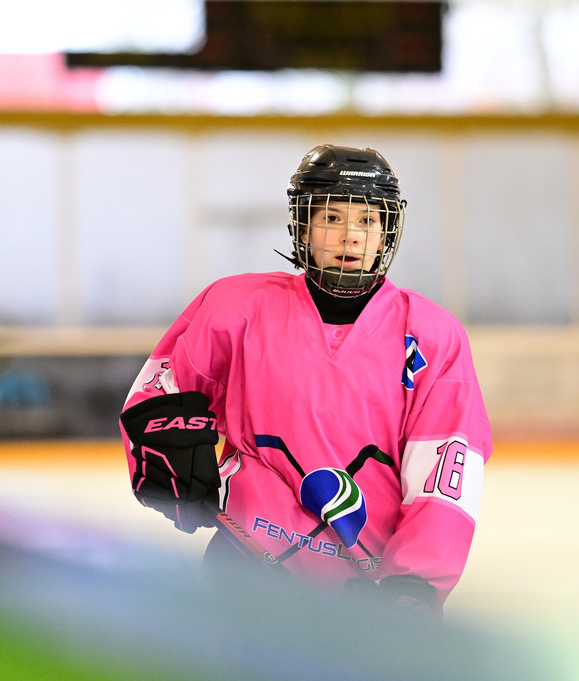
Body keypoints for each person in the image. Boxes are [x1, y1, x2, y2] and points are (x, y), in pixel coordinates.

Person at [119, 144, 492, 616]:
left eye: (368, 220)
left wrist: (412, 586)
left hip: (367, 598)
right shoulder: (237, 308)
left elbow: (444, 477)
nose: (350, 237)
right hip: (243, 573)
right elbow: (156, 397)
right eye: (332, 218)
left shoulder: (433, 337)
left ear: (386, 233)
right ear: (303, 226)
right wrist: (161, 448)